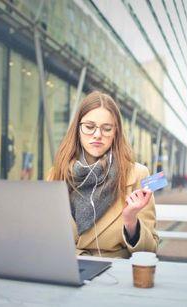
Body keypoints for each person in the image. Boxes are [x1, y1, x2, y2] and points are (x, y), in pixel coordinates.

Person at [46, 90, 159, 258]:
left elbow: (151, 249)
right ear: (77, 129)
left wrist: (131, 222)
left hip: (114, 274)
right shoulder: (55, 174)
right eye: (89, 127)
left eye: (107, 129)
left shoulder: (140, 174)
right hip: (66, 268)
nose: (97, 135)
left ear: (116, 133)